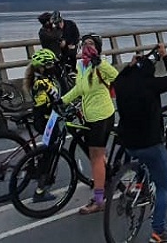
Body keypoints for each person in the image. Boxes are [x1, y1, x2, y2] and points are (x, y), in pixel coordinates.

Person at [112, 44, 167, 243]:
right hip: (150, 142)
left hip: (129, 143)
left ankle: (139, 190)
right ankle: (158, 230)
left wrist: (130, 66)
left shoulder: (122, 84)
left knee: (141, 162)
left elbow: (117, 79)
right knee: (164, 184)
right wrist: (165, 56)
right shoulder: (151, 84)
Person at [60, 34, 117, 214]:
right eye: (84, 44)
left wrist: (98, 61)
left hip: (102, 116)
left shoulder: (101, 64)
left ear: (98, 47)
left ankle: (99, 200)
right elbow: (79, 89)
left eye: (91, 44)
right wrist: (62, 101)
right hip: (89, 117)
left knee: (96, 157)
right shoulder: (81, 65)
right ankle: (110, 178)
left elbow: (115, 76)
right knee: (96, 157)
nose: (86, 47)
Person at [24, 48, 63, 133]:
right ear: (41, 67)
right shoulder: (41, 83)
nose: (52, 67)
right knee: (54, 144)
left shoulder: (43, 79)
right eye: (49, 64)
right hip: (46, 121)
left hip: (49, 118)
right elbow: (44, 104)